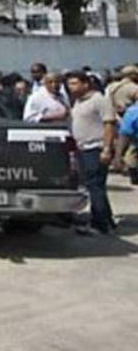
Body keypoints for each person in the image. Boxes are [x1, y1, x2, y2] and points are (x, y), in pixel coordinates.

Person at [67, 71, 117, 235]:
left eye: (74, 83)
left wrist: (107, 149)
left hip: (96, 148)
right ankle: (107, 220)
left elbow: (109, 124)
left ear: (86, 84)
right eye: (69, 84)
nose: (71, 87)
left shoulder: (99, 100)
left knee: (94, 186)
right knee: (96, 185)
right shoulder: (78, 102)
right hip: (83, 148)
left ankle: (99, 224)